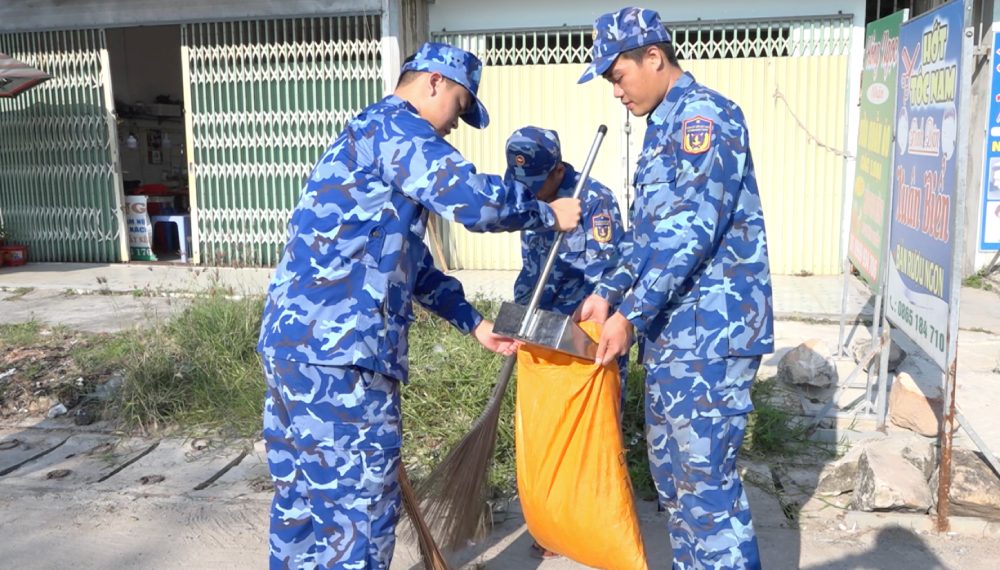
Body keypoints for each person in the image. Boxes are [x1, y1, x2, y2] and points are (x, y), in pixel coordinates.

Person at [256, 42, 582, 569]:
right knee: (357, 516)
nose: (455, 123)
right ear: (432, 82)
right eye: (458, 103)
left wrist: (472, 322)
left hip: (298, 350)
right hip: (342, 359)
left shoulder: (367, 139)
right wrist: (546, 212)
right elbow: (473, 202)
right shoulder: (397, 129)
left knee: (306, 506)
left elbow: (411, 264)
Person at [576, 7, 775, 570]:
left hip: (714, 334)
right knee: (676, 486)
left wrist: (631, 314)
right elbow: (647, 236)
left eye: (617, 75)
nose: (615, 91)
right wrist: (610, 292)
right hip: (675, 338)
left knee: (706, 490)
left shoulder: (706, 120)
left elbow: (691, 231)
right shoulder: (661, 127)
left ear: (654, 57)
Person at [504, 126, 626, 561]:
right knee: (548, 430)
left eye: (538, 185)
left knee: (592, 431)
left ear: (558, 170)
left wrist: (594, 313)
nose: (530, 194)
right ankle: (553, 522)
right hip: (543, 328)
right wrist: (519, 317)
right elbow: (530, 266)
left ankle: (594, 524)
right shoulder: (527, 197)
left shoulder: (595, 200)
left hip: (585, 334)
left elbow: (611, 271)